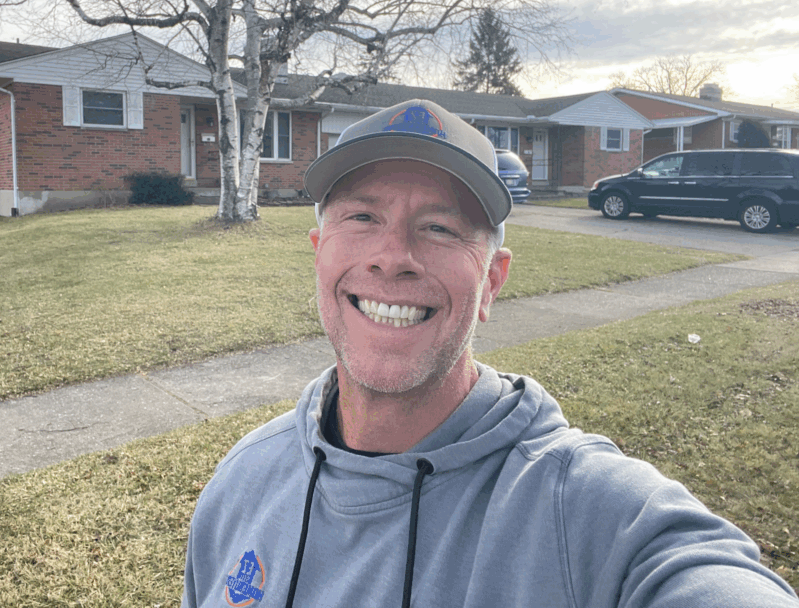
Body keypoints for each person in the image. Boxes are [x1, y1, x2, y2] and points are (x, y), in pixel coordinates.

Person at [181, 99, 798, 608]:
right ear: (318, 252)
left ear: (491, 283)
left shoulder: (581, 508)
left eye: (441, 227)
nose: (393, 254)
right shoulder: (244, 479)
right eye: (363, 216)